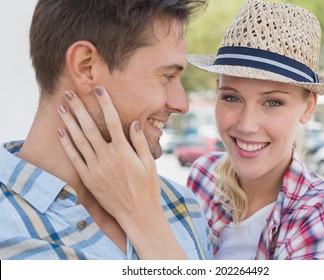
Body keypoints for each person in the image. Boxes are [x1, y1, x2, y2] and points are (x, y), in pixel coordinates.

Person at [55, 0, 324, 259]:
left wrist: (142, 217)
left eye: (273, 103)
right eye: (231, 97)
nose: (246, 124)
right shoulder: (204, 176)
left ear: (307, 107)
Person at [0, 0, 212, 260]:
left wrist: (149, 224)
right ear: (86, 66)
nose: (182, 104)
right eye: (167, 76)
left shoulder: (181, 206)